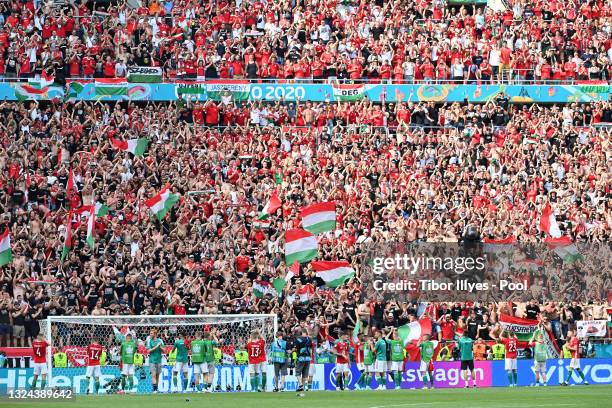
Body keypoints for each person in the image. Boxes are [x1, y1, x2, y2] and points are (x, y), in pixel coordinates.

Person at [145, 328, 164, 393]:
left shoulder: (160, 340)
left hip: (159, 360)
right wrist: (156, 346)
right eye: (150, 333)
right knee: (153, 375)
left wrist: (160, 346)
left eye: (151, 333)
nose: (150, 334)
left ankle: (156, 388)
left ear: (155, 334)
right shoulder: (149, 341)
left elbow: (164, 350)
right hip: (152, 360)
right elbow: (148, 351)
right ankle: (155, 390)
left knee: (158, 375)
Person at [294, 328, 312, 394]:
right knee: (305, 373)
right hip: (308, 358)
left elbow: (296, 348)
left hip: (301, 358)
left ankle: (301, 385)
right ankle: (305, 387)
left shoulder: (298, 339)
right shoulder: (309, 339)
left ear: (301, 333)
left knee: (298, 372)